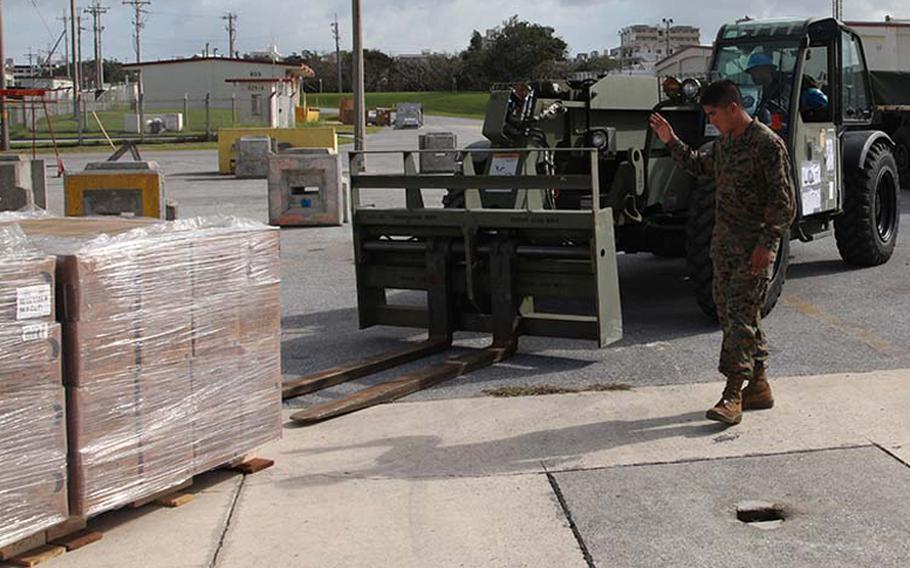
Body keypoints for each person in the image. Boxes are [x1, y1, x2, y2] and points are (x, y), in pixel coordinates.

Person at [648, 80, 796, 425]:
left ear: (733, 107)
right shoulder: (725, 144)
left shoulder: (767, 145)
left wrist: (767, 245)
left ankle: (732, 395)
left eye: (713, 113)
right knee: (734, 316)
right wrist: (671, 142)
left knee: (740, 319)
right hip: (724, 247)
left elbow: (783, 204)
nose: (711, 120)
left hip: (753, 249)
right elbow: (700, 166)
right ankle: (758, 385)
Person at [746, 53, 791, 128]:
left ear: (768, 70)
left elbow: (782, 107)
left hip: (780, 127)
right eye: (751, 73)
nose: (753, 76)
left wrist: (766, 108)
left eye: (756, 71)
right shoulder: (761, 90)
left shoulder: (783, 87)